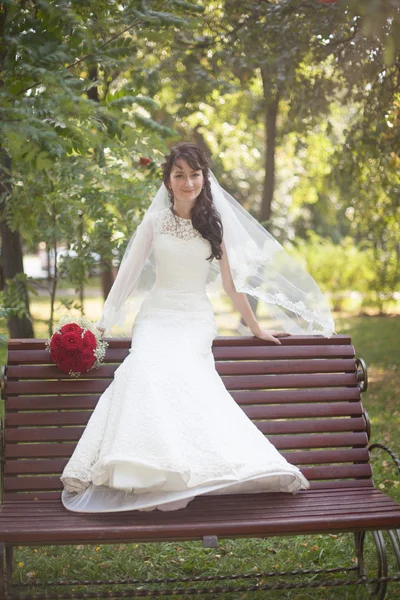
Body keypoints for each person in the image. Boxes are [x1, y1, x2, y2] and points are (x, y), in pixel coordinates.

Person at [60, 142, 335, 513]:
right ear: (168, 181)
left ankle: (183, 467)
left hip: (193, 318)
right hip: (156, 315)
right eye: (179, 175)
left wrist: (254, 326)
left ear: (203, 178)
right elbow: (126, 276)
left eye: (194, 174)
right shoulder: (155, 222)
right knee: (143, 368)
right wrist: (104, 323)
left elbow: (231, 285)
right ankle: (143, 468)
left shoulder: (213, 224)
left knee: (183, 369)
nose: (188, 182)